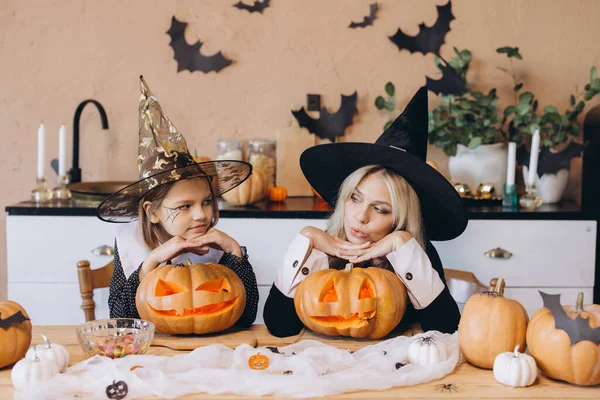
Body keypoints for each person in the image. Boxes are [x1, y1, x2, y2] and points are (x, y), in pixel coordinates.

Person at [263, 87, 467, 337]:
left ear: (400, 218)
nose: (361, 217)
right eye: (355, 199)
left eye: (380, 209)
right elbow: (280, 326)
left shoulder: (418, 251)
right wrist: (307, 239)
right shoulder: (324, 246)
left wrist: (402, 245)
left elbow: (446, 329)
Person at [97, 76, 259, 328]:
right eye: (185, 206)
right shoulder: (131, 242)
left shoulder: (215, 246)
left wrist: (235, 254)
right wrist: (150, 263)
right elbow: (120, 323)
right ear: (152, 213)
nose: (201, 215)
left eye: (206, 202)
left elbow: (245, 317)